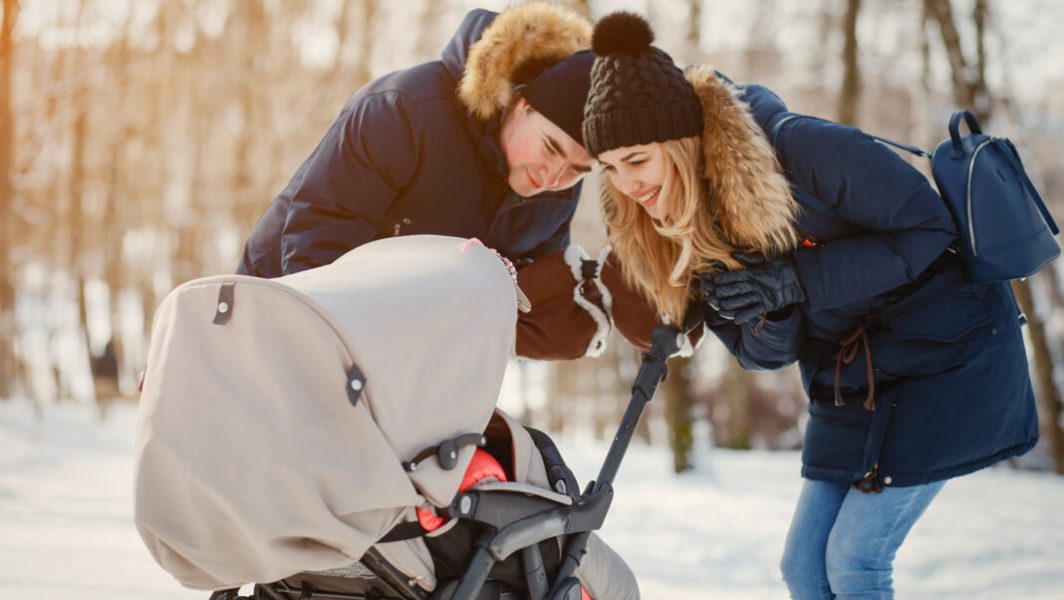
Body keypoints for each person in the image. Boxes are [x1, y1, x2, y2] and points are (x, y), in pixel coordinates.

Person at [581, 11, 1039, 599]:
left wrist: (796, 279)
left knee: (855, 562)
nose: (627, 185)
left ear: (680, 139)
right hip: (853, 375)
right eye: (611, 169)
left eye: (637, 160)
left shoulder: (802, 149)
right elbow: (765, 354)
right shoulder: (674, 225)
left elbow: (930, 229)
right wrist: (764, 309)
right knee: (803, 567)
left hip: (946, 350)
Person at [238, 2, 596, 277]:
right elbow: (317, 243)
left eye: (576, 170)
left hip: (403, 346)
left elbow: (531, 307)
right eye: (550, 147)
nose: (552, 178)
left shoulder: (558, 192)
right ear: (520, 102)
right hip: (275, 300)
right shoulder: (406, 112)